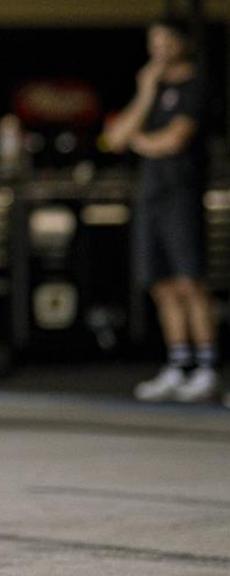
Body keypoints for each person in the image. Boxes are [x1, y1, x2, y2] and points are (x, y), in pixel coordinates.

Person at [103, 20, 215, 403]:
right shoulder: (153, 88)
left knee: (189, 282)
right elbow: (116, 138)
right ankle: (177, 363)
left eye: (167, 40)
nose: (160, 48)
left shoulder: (195, 86)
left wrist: (141, 141)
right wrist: (146, 91)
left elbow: (174, 139)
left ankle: (206, 365)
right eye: (154, 41)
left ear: (183, 43)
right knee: (161, 286)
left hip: (181, 194)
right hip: (150, 196)